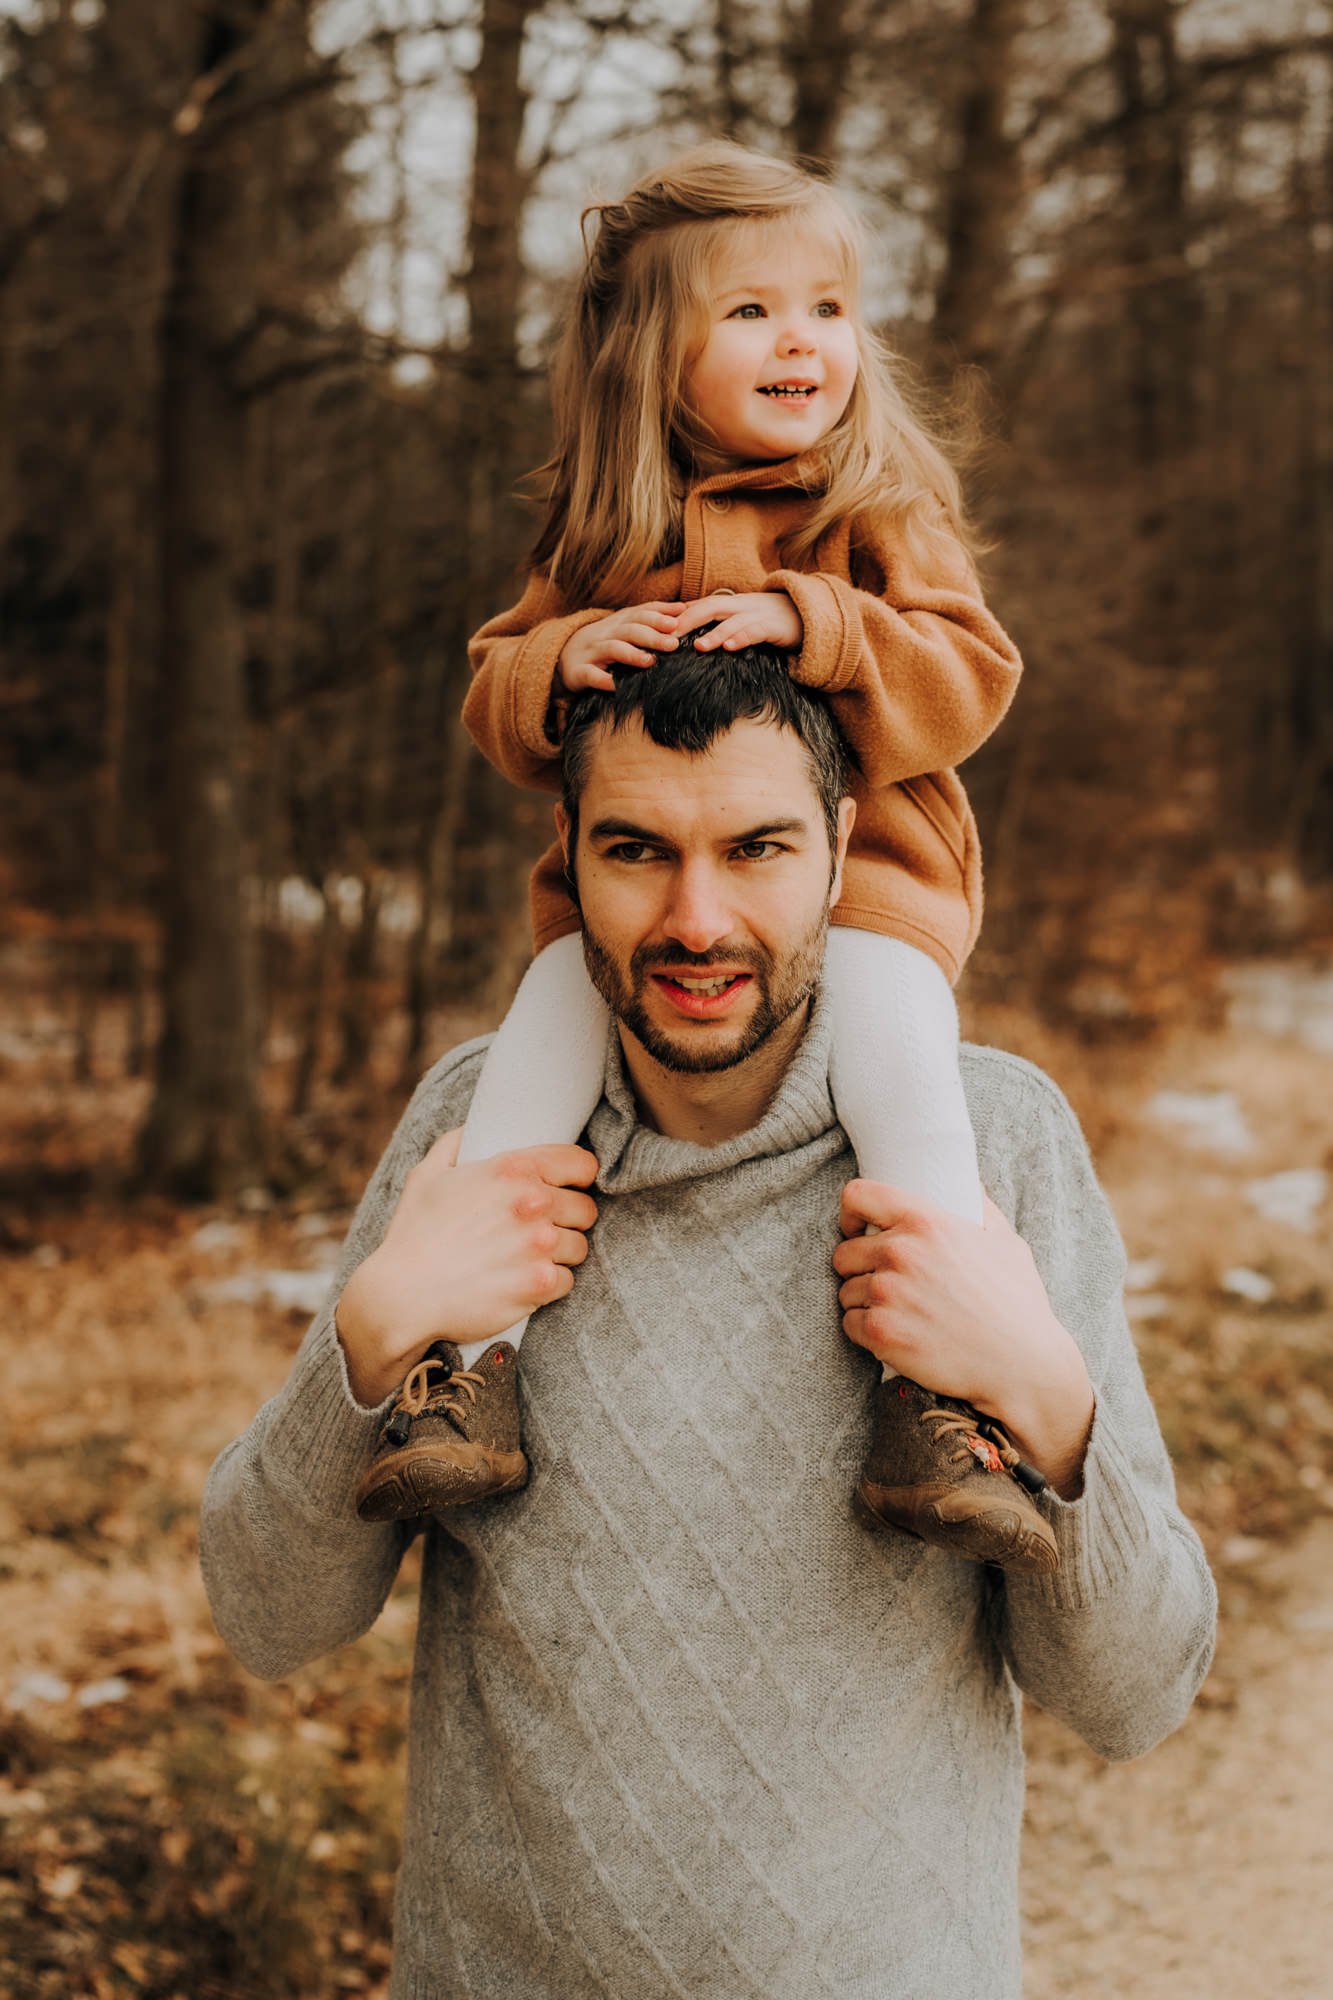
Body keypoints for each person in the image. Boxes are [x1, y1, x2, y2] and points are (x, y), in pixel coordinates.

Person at [200, 647, 1216, 2000]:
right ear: (568, 854)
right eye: (636, 851)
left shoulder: (992, 1144)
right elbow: (270, 1620)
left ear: (842, 847)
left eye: (756, 848)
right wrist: (374, 1337)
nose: (694, 920)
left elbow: (1133, 1694)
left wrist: (1044, 1397)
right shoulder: (479, 1131)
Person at [354, 139, 1045, 1567]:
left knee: (906, 1085)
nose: (800, 339)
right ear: (651, 361)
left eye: (827, 309)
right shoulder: (614, 525)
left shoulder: (872, 512)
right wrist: (561, 655)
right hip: (607, 913)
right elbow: (491, 692)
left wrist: (822, 626)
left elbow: (972, 678)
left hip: (873, 893)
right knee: (524, 1080)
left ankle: (940, 1401)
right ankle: (463, 1373)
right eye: (748, 313)